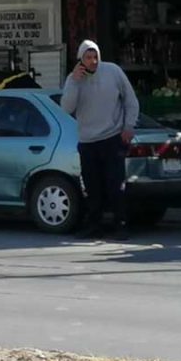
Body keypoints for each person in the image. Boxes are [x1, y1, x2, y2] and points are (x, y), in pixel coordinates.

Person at [61, 40, 139, 241]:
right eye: (88, 57)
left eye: (95, 56)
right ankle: (94, 225)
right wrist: (75, 82)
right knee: (92, 187)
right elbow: (67, 107)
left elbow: (131, 100)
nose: (93, 61)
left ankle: (120, 224)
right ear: (81, 59)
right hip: (87, 141)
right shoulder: (73, 79)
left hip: (112, 137)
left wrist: (128, 127)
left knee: (116, 185)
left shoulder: (113, 71)